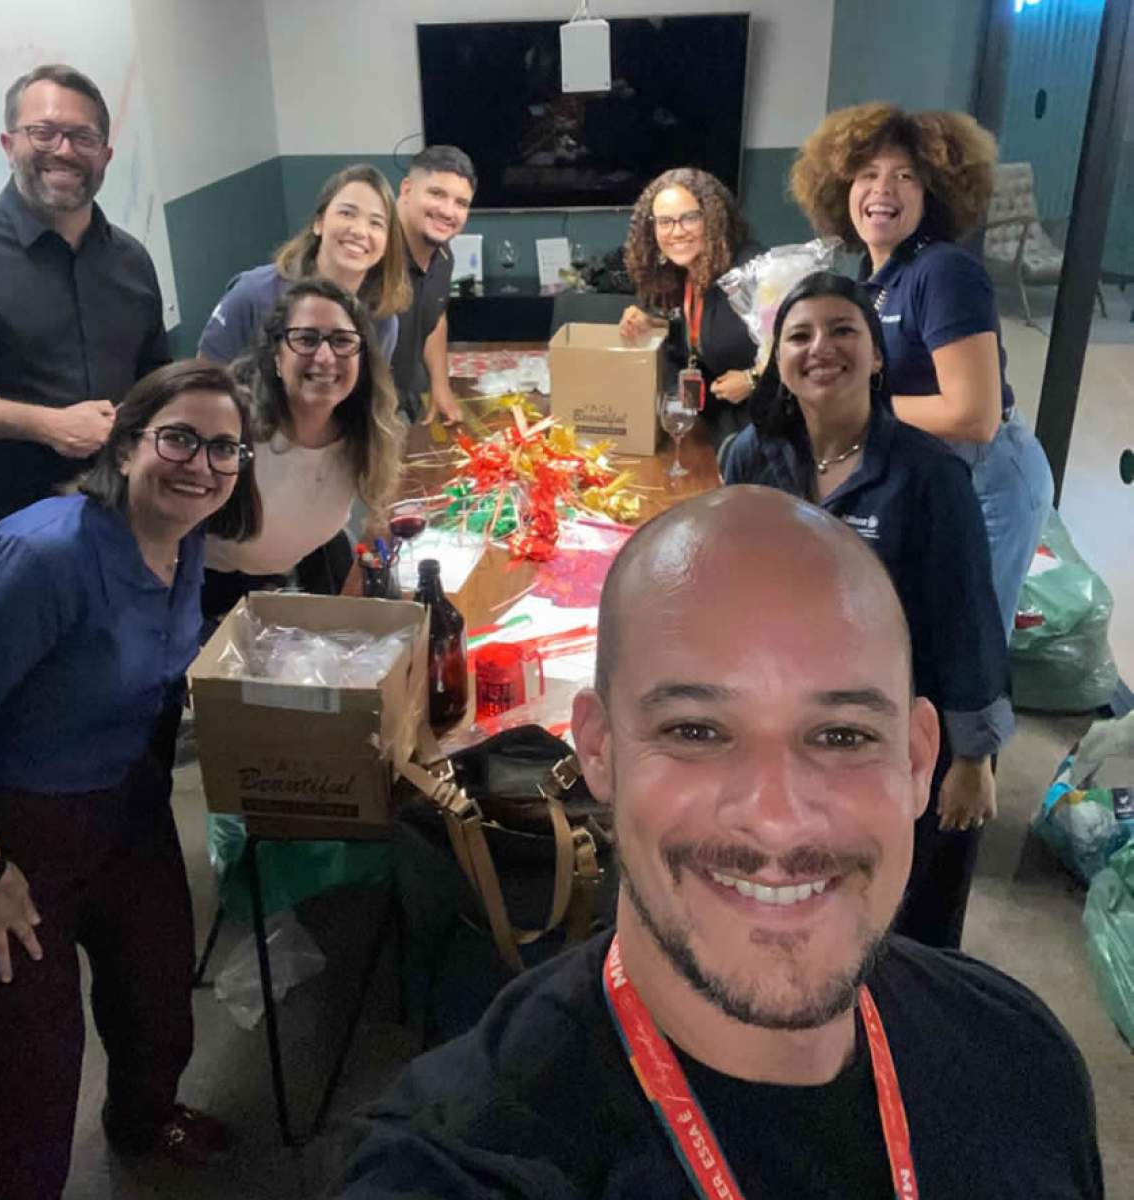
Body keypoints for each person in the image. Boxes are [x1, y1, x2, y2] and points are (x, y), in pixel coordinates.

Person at [330, 487, 1103, 1199]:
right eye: (696, 731)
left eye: (841, 735)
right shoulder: (454, 1166)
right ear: (599, 751)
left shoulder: (1024, 1062)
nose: (776, 817)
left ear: (916, 763)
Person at [0, 361, 260, 1199]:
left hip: (119, 807)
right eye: (179, 438)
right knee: (28, 1070)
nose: (202, 464)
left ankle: (145, 1121)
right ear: (127, 443)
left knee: (156, 993)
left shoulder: (183, 541)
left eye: (224, 448)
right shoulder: (42, 556)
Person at [720, 270, 1013, 950]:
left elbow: (967, 617)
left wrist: (973, 757)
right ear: (778, 362)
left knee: (904, 918)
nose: (821, 348)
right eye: (800, 336)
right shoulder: (752, 457)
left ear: (878, 356)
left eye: (843, 330)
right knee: (808, 897)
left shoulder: (929, 476)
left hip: (900, 732)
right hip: (788, 721)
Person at [789, 102, 1054, 635]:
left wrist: (853, 407)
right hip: (929, 473)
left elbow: (974, 415)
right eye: (867, 174)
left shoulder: (944, 271)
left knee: (965, 644)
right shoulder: (872, 277)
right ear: (841, 188)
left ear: (933, 193)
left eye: (905, 176)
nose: (882, 190)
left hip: (986, 481)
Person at [0, 63, 170, 564]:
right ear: (9, 145)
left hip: (116, 512)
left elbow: (154, 373)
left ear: (106, 155)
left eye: (83, 137)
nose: (64, 150)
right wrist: (48, 425)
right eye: (44, 132)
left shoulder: (132, 260)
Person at [202, 277, 403, 620]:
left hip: (285, 585)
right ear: (276, 357)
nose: (325, 357)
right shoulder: (231, 429)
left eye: (342, 341)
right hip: (202, 595)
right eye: (307, 339)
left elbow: (377, 520)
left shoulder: (366, 435)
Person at [197, 162, 411, 365]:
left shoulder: (382, 320)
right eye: (347, 213)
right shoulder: (252, 295)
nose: (359, 231)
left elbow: (373, 390)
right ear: (319, 223)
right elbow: (204, 382)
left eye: (376, 223)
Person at [619, 167, 763, 454]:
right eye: (665, 221)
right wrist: (655, 324)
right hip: (719, 429)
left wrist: (753, 379)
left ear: (713, 219)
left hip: (764, 435)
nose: (677, 231)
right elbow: (705, 335)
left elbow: (803, 345)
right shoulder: (686, 272)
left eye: (690, 218)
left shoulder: (752, 270)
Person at [392, 145, 476, 425]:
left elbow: (435, 315)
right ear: (406, 189)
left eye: (461, 203)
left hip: (407, 396)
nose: (448, 211)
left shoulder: (443, 256)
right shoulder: (370, 252)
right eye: (437, 194)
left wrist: (440, 386)